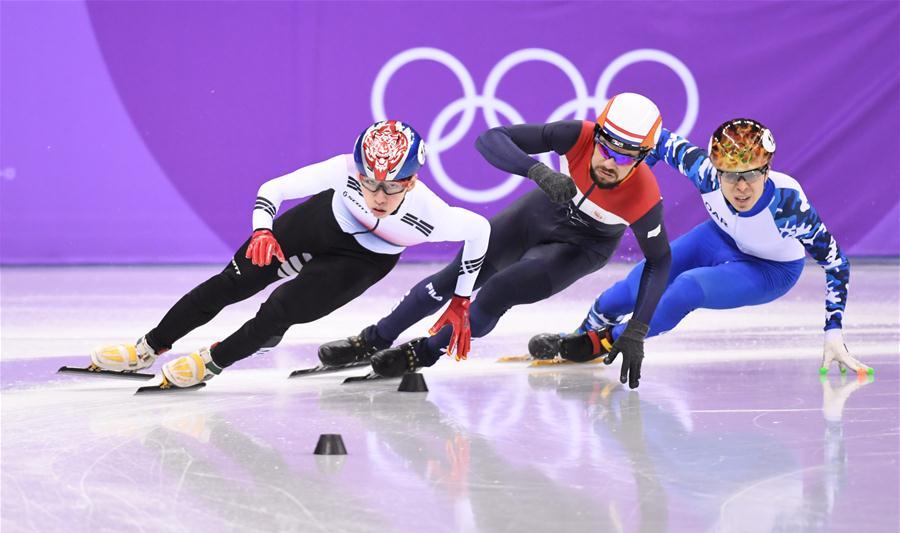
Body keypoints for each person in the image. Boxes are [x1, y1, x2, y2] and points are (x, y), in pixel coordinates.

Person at [88, 120, 490, 388]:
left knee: (280, 309)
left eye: (392, 188)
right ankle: (147, 348)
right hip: (322, 221)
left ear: (413, 180)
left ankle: (213, 362)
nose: (378, 197)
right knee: (233, 282)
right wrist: (262, 229)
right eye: (369, 183)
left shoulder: (433, 215)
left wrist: (462, 297)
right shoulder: (341, 171)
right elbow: (272, 188)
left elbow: (480, 232)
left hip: (366, 258)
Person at [319, 93, 672, 389]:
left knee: (497, 291)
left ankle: (423, 352)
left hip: (582, 247)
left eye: (625, 156)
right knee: (456, 276)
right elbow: (489, 139)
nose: (610, 161)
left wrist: (637, 329)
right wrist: (538, 171)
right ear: (596, 135)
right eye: (605, 148)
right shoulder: (577, 135)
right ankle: (374, 339)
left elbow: (659, 262)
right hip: (542, 210)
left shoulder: (643, 197)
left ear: (642, 158)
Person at [535, 118, 870, 375]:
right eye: (729, 175)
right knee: (630, 288)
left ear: (767, 170)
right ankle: (578, 336)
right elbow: (654, 137)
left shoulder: (788, 206)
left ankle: (604, 341)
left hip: (770, 268)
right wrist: (628, 187)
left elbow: (836, 262)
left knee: (687, 288)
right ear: (716, 171)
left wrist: (833, 330)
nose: (740, 188)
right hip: (720, 236)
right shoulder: (705, 172)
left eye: (751, 175)